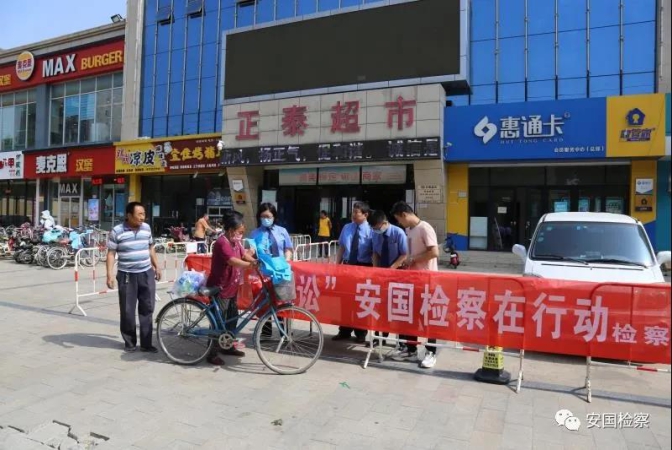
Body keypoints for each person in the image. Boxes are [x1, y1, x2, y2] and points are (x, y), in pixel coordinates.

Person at [106, 202, 162, 353]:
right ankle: (130, 342)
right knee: (127, 310)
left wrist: (156, 266)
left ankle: (146, 344)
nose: (142, 217)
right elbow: (111, 253)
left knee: (147, 308)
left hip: (146, 273)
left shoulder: (146, 228)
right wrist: (109, 275)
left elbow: (151, 248)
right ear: (129, 215)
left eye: (144, 214)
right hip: (126, 275)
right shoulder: (117, 231)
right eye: (139, 214)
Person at [390, 201, 440, 369]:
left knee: (427, 318)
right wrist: (405, 263)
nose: (399, 223)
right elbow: (410, 254)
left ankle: (431, 352)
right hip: (412, 279)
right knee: (410, 316)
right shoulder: (409, 230)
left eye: (399, 219)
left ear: (404, 215)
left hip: (427, 280)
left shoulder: (425, 228)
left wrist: (413, 259)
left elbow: (434, 252)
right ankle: (411, 349)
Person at [205, 210, 258, 365]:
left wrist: (254, 260)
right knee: (218, 321)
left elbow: (243, 255)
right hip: (220, 288)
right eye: (239, 231)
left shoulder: (236, 242)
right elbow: (232, 260)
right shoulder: (222, 243)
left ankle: (227, 346)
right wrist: (249, 265)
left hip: (232, 287)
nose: (241, 234)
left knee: (232, 318)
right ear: (230, 230)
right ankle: (211, 353)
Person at [250, 203, 294, 338]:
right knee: (264, 302)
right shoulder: (255, 233)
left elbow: (288, 248)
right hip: (263, 272)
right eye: (263, 216)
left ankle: (285, 332)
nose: (266, 219)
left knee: (282, 301)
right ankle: (266, 331)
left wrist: (286, 261)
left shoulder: (282, 231)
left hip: (280, 272)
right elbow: (251, 252)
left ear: (274, 217)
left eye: (268, 216)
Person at [334, 201, 373, 343]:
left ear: (365, 214)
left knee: (361, 301)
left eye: (357, 212)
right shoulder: (347, 227)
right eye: (353, 212)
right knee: (345, 300)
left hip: (363, 267)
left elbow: (374, 252)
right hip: (347, 266)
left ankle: (361, 333)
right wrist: (336, 265)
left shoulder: (371, 230)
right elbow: (342, 247)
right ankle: (344, 330)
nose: (353, 215)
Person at [368, 209, 408, 346]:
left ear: (384, 223)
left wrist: (392, 269)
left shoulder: (398, 233)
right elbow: (375, 253)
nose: (375, 230)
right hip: (382, 275)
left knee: (399, 307)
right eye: (373, 228)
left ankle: (401, 340)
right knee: (381, 308)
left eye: (377, 227)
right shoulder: (375, 234)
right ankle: (380, 338)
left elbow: (404, 254)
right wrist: (375, 270)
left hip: (398, 274)